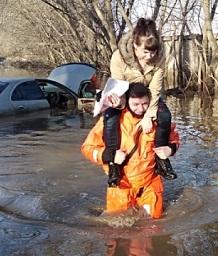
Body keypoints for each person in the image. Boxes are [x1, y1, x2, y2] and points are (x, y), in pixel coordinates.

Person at [81, 83, 180, 219]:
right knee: (116, 228)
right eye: (136, 104)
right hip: (122, 184)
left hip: (150, 183)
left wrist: (170, 149)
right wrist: (110, 155)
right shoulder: (111, 121)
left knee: (154, 225)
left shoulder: (158, 120)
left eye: (145, 104)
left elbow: (174, 139)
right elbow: (87, 148)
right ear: (127, 101)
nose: (141, 109)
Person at [103, 18, 177, 183]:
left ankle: (161, 159)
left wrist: (148, 116)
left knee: (165, 116)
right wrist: (120, 104)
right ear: (135, 46)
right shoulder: (118, 57)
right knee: (110, 117)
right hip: (125, 92)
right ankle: (113, 163)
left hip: (148, 93)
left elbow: (155, 89)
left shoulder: (159, 58)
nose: (149, 57)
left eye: (153, 52)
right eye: (145, 52)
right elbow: (118, 87)